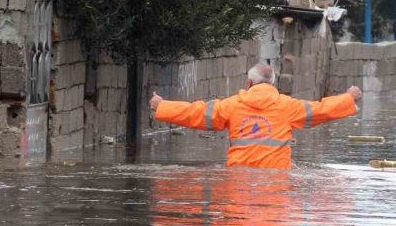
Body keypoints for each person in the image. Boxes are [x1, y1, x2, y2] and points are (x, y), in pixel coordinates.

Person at [149, 63, 362, 169]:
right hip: (278, 181)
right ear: (272, 84)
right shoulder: (289, 107)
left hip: (239, 177)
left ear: (249, 83)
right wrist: (349, 98)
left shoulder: (232, 106)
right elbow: (321, 110)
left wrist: (163, 106)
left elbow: (195, 113)